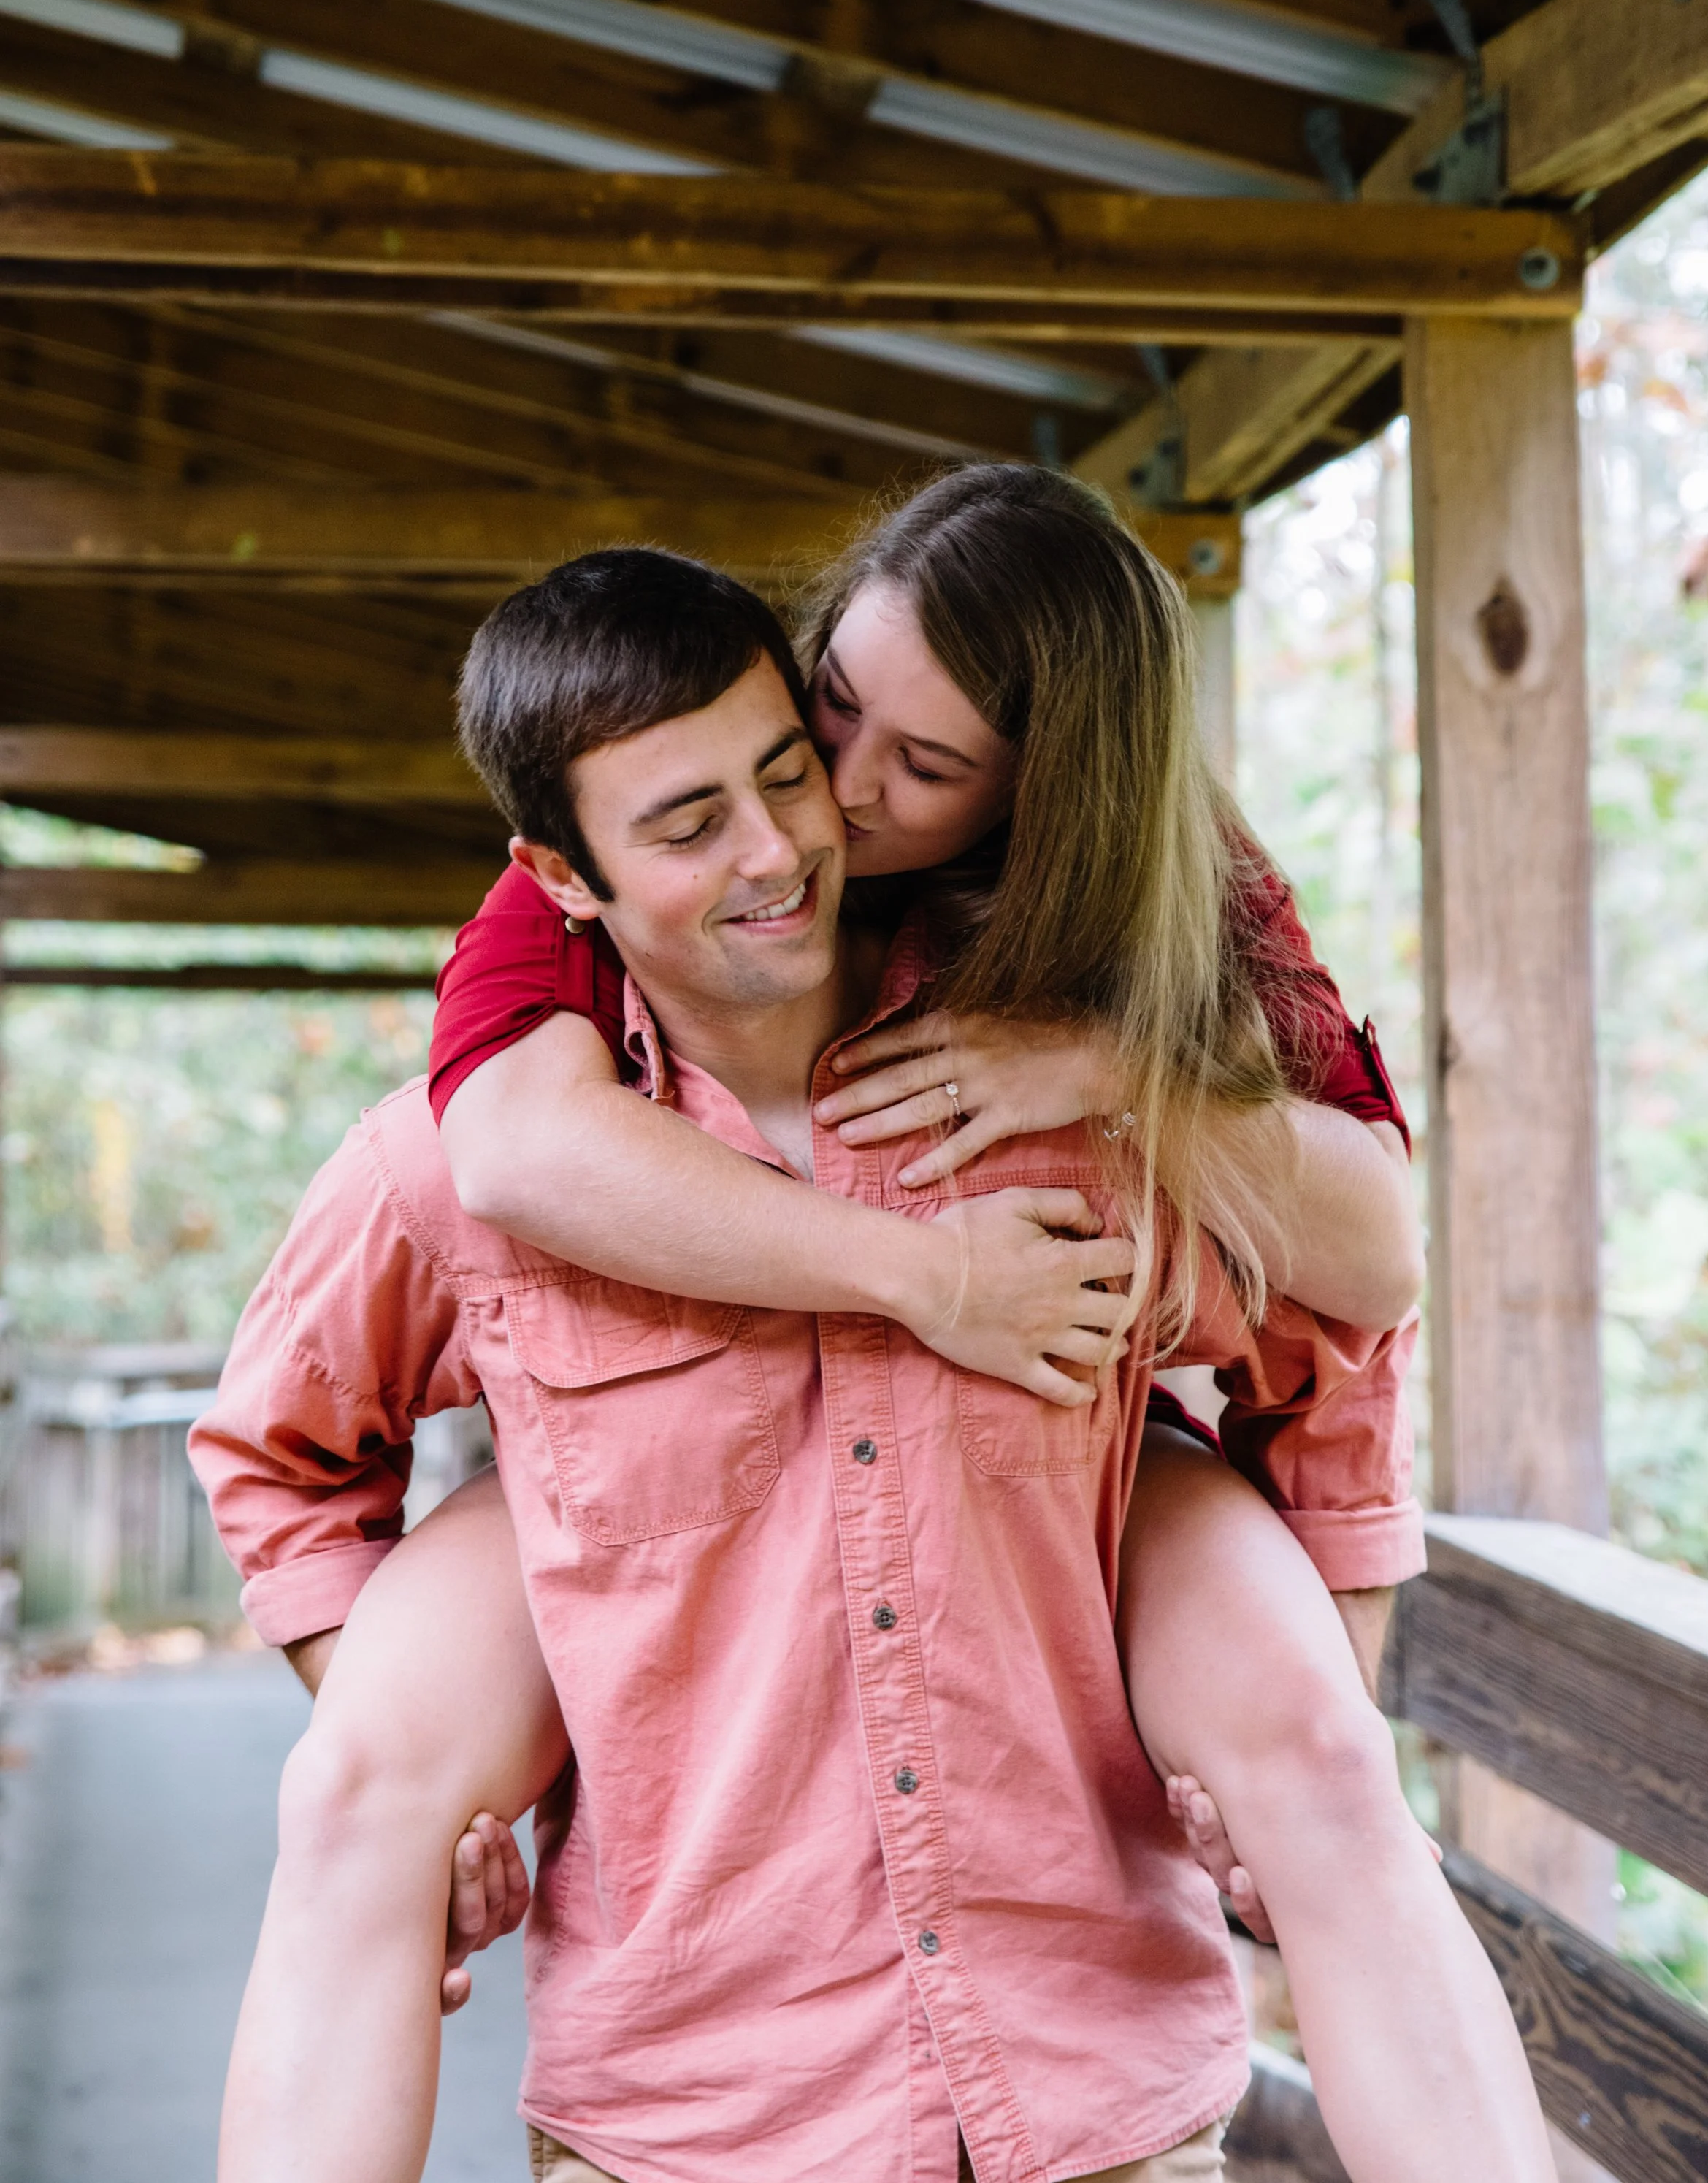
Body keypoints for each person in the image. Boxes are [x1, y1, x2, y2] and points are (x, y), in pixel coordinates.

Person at [194, 487, 1552, 2182]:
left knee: (1330, 1767)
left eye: (907, 765)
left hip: (1077, 2064)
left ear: (1037, 801)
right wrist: (413, 1767)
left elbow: (1349, 1291)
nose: (809, 813)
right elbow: (363, 1339)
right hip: (703, 2101)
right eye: (826, 710)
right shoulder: (516, 1051)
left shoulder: (1101, 1014)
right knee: (352, 1793)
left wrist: (1319, 1706)